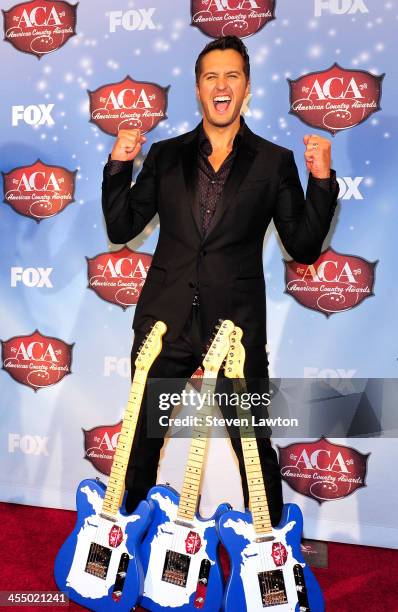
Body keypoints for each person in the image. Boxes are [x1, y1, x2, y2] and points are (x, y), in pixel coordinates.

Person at [101, 35, 339, 526]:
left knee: (253, 447)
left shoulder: (274, 162)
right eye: (211, 76)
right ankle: (127, 541)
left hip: (236, 328)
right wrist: (119, 164)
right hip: (163, 324)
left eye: (232, 75)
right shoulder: (166, 156)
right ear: (198, 88)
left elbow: (304, 246)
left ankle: (268, 554)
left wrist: (321, 182)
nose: (221, 84)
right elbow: (121, 229)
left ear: (246, 87)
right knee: (141, 447)